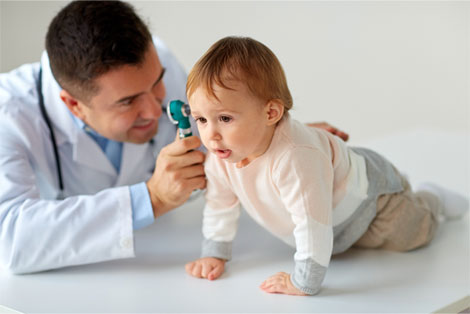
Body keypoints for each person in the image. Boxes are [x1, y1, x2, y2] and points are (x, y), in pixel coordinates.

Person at [0, 1, 347, 274]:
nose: (155, 110)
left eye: (157, 84)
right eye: (128, 102)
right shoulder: (9, 114)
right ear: (74, 104)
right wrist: (151, 198)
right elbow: (11, 241)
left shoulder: (157, 61)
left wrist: (273, 138)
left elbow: (215, 143)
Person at [184, 36, 469, 296]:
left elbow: (312, 223)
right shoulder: (222, 156)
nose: (210, 135)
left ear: (271, 112)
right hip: (335, 219)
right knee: (348, 248)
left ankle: (432, 199)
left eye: (224, 118)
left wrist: (303, 281)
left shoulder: (295, 157)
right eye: (201, 120)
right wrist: (215, 253)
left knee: (412, 234)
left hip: (370, 202)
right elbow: (220, 205)